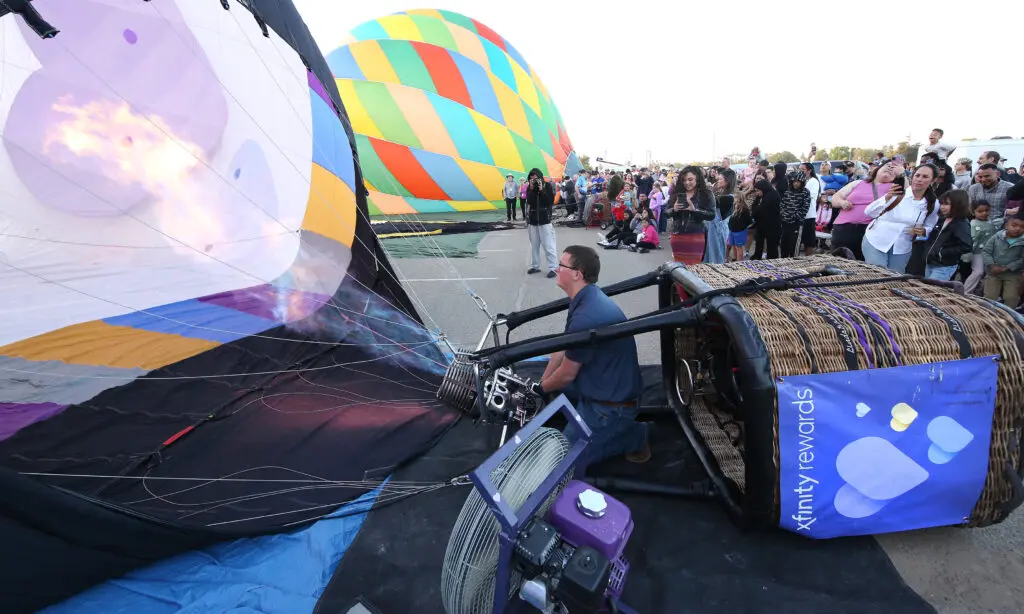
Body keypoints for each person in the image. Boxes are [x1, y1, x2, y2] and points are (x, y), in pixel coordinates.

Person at [537, 245, 650, 466]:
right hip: (601, 384)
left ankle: (635, 436)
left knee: (563, 463)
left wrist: (542, 389)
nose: (556, 268)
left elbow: (567, 375)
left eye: (561, 265)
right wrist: (543, 382)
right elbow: (561, 348)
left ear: (577, 273)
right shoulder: (585, 298)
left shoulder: (587, 315)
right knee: (553, 384)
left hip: (610, 407)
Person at [862, 164, 939, 273]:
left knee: (894, 279)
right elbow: (869, 212)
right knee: (877, 275)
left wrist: (924, 231)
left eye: (925, 177)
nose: (919, 179)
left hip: (902, 247)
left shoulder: (933, 203)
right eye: (917, 175)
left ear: (933, 180)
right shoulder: (899, 193)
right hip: (876, 240)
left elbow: (930, 225)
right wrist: (887, 197)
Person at [525, 168, 559, 278]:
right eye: (531, 178)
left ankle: (554, 268)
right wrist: (530, 189)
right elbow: (529, 201)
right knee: (534, 245)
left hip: (545, 220)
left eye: (535, 178)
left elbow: (549, 201)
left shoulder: (547, 186)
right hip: (533, 221)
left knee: (549, 245)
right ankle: (536, 266)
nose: (533, 180)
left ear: (540, 177)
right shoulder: (529, 188)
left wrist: (541, 190)